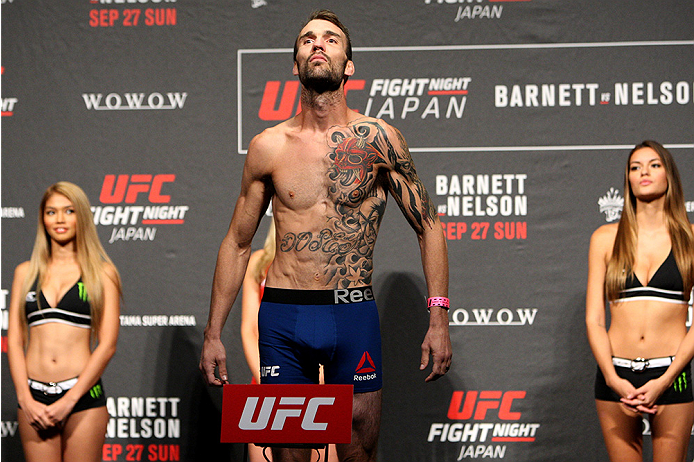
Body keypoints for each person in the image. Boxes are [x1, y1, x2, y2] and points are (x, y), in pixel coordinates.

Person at [199, 9, 452, 462]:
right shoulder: (268, 147)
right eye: (307, 39)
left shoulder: (379, 140)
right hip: (283, 317)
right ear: (295, 64)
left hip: (351, 316)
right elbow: (238, 243)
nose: (318, 44)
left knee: (359, 452)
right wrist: (213, 332)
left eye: (331, 39)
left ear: (349, 65)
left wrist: (438, 318)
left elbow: (429, 224)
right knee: (288, 456)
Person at [585, 140, 694, 462]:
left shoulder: (690, 239)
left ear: (669, 175)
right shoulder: (605, 238)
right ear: (628, 179)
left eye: (654, 164)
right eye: (635, 167)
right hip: (615, 375)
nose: (644, 172)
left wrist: (665, 380)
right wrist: (612, 378)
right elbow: (594, 319)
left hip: (672, 373)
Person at [7, 181, 122, 462]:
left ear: (80, 215)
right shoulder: (25, 272)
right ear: (42, 218)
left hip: (82, 399)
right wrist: (24, 398)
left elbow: (107, 345)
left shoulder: (102, 273)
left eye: (68, 211)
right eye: (51, 212)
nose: (59, 219)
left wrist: (68, 402)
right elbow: (14, 340)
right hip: (33, 399)